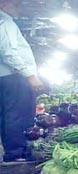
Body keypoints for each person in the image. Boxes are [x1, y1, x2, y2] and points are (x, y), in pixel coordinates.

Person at [0, 0, 45, 162]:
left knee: (8, 115)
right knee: (18, 115)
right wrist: (30, 75)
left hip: (6, 78)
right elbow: (9, 53)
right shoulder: (5, 23)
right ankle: (17, 152)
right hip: (14, 77)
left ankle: (13, 151)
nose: (19, 8)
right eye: (16, 4)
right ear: (4, 4)